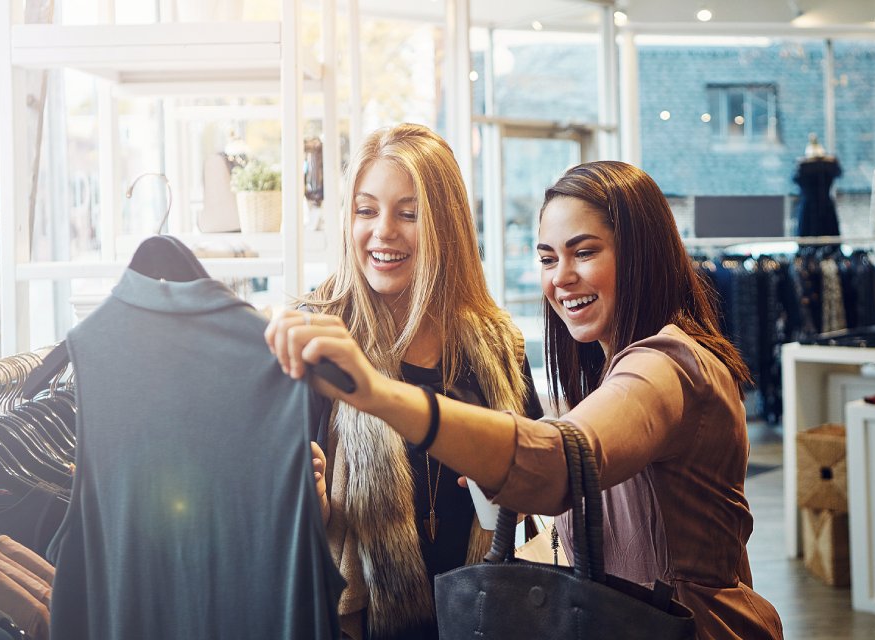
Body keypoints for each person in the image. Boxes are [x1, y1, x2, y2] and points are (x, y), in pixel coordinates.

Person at [267, 160, 785, 640]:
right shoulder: (609, 370)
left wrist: (381, 395)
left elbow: (563, 460)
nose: (561, 277)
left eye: (584, 252)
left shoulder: (669, 366)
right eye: (547, 258)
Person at [271, 123, 543, 640]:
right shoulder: (317, 338)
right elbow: (277, 529)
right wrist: (314, 500)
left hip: (486, 623)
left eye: (409, 213)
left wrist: (514, 487)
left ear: (447, 226)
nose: (383, 232)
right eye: (366, 210)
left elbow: (541, 480)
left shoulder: (498, 347)